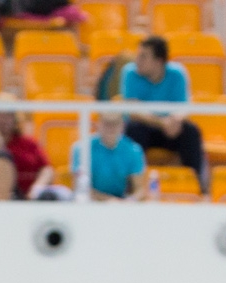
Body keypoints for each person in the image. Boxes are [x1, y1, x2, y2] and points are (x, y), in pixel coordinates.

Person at [120, 36, 205, 190]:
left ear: (159, 61)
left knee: (191, 132)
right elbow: (133, 110)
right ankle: (131, 187)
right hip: (145, 127)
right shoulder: (130, 73)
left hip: (170, 129)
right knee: (132, 131)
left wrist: (176, 119)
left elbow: (184, 106)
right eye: (138, 55)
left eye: (143, 56)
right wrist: (162, 122)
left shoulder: (177, 74)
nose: (137, 60)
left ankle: (196, 186)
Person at [0, 105, 54, 199]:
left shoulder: (29, 143)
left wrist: (37, 189)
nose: (3, 120)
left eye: (8, 115)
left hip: (26, 197)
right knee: (1, 156)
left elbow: (46, 169)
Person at [74, 111, 146, 200]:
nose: (111, 128)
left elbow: (140, 189)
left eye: (115, 123)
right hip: (92, 203)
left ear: (122, 125)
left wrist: (130, 202)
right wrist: (109, 200)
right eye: (106, 123)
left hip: (121, 202)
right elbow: (80, 188)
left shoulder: (133, 150)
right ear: (98, 124)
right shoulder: (82, 149)